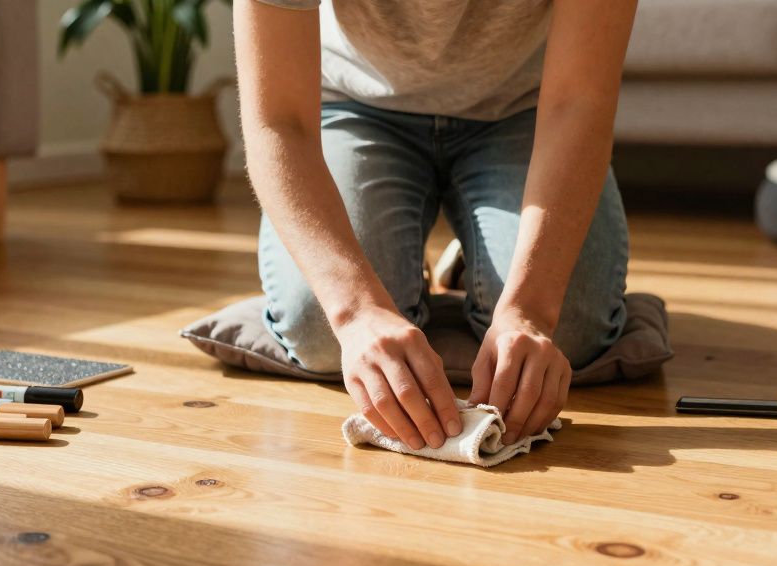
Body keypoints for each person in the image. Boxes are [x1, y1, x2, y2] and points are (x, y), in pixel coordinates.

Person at [234, 0, 637, 452]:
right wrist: (356, 312)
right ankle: (414, 259)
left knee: (569, 333)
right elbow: (279, 120)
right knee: (320, 329)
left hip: (529, 108)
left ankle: (475, 254)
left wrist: (530, 311)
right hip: (355, 105)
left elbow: (578, 102)